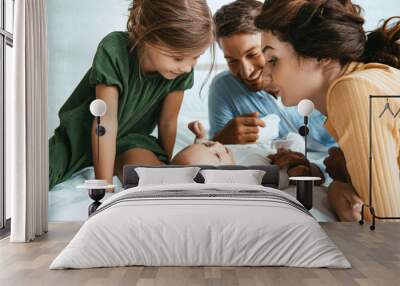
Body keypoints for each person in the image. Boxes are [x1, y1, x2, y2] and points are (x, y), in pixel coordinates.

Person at [255, 0, 400, 221]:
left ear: (322, 55)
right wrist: (347, 177)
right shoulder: (368, 81)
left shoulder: (353, 90)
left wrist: (335, 192)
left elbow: (386, 231)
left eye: (273, 60)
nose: (265, 75)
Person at [48, 0, 214, 191]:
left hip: (131, 141)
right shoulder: (114, 50)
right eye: (177, 58)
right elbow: (105, 123)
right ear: (146, 33)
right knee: (31, 176)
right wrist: (105, 189)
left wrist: (165, 164)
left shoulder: (181, 71)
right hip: (77, 138)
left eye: (196, 57)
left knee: (159, 183)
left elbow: (168, 122)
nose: (187, 67)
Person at [209, 0, 337, 183]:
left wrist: (318, 169)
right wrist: (222, 139)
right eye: (232, 61)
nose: (246, 71)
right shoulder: (224, 87)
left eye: (253, 54)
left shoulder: (313, 73)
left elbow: (357, 149)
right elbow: (214, 155)